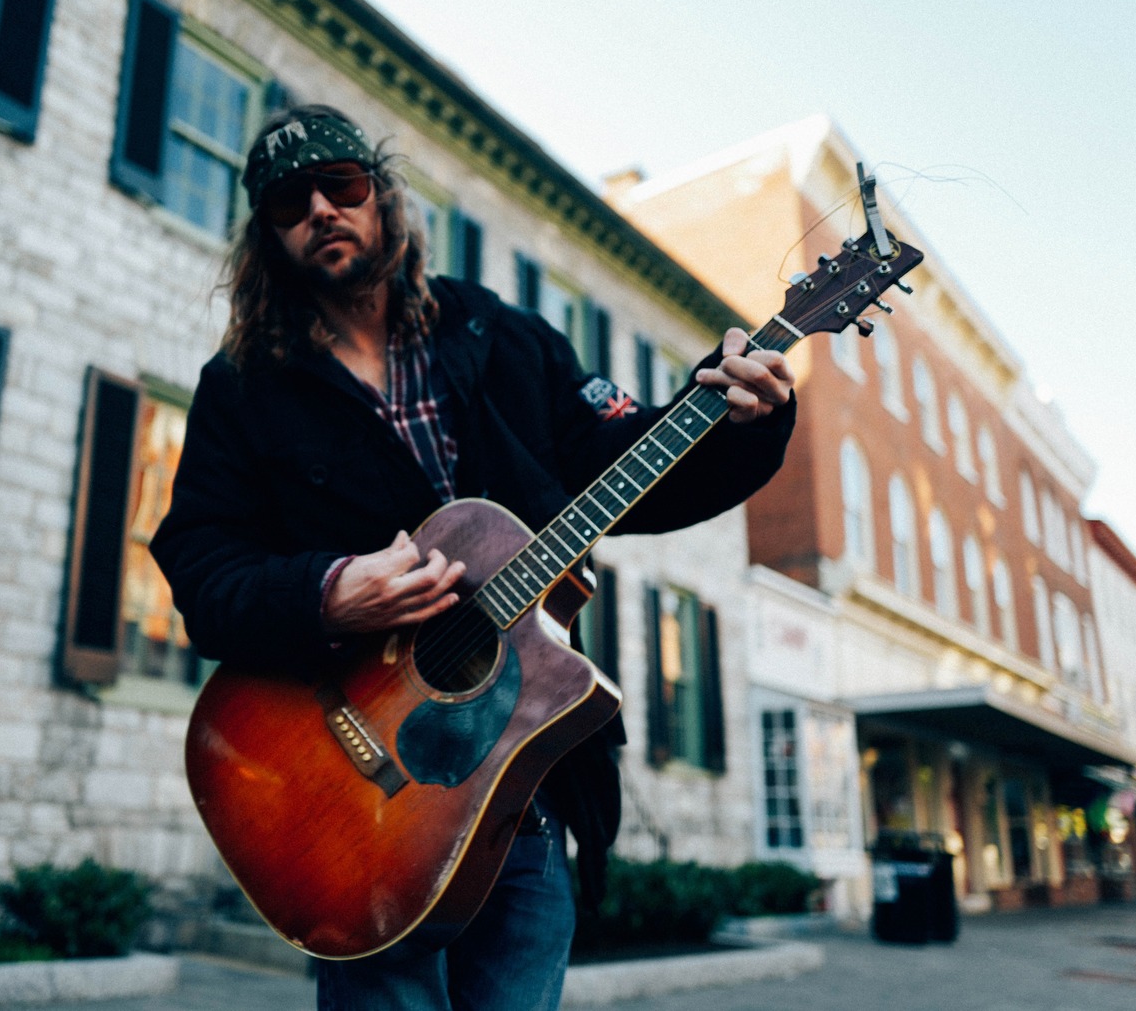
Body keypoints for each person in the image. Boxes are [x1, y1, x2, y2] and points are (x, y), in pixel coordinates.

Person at [150, 105, 796, 1011]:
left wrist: (739, 423)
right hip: (360, 813)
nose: (321, 211)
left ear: (382, 198)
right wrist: (327, 593)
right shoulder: (243, 390)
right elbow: (202, 567)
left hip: (522, 792)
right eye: (290, 203)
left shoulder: (499, 338)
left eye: (342, 185)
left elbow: (627, 459)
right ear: (267, 237)